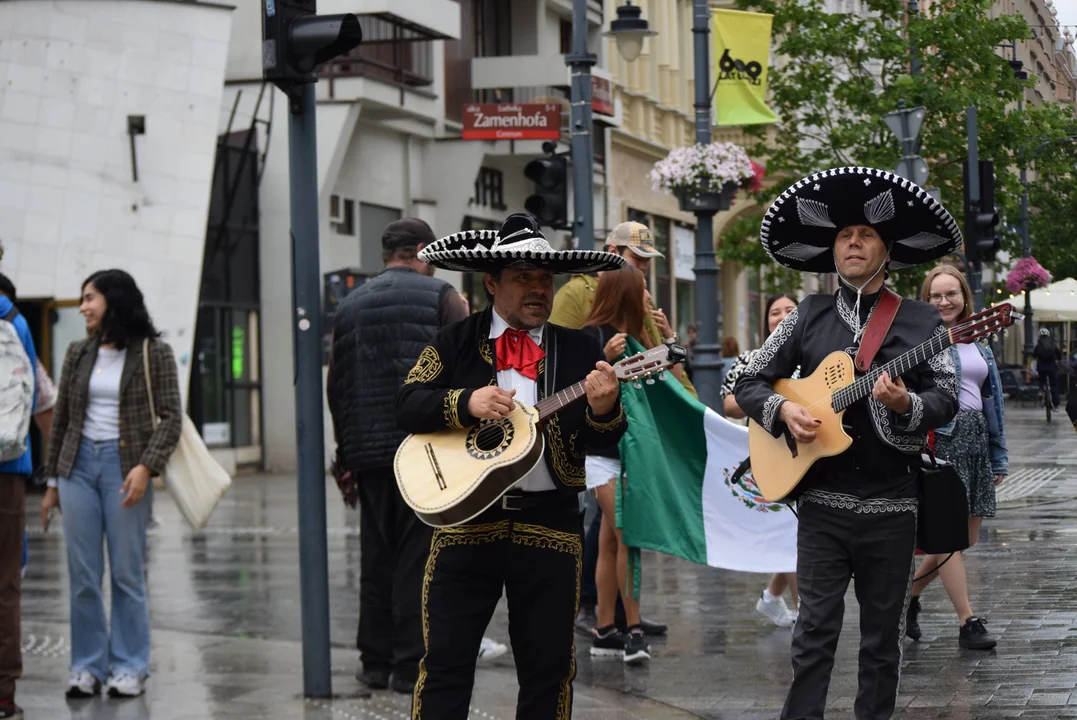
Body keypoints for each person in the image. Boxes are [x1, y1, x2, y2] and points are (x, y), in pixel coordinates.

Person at [734, 167, 961, 720]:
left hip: (893, 504)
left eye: (864, 234)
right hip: (821, 507)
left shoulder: (923, 320)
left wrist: (907, 405)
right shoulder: (805, 316)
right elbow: (747, 380)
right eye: (842, 235)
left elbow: (948, 396)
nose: (852, 242)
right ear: (832, 250)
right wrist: (784, 409)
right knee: (813, 634)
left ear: (888, 249)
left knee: (882, 643)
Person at [395, 213, 628, 719]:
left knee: (549, 672)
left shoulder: (581, 351)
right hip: (463, 523)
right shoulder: (453, 342)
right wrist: (464, 403)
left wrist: (606, 409)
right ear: (491, 282)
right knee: (445, 665)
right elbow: (406, 403)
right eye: (524, 276)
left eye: (545, 278)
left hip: (550, 524)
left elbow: (604, 440)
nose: (538, 289)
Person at [326, 219, 504, 694]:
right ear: (423, 251)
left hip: (366, 450)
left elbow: (336, 384)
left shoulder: (348, 305)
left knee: (376, 555)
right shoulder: (441, 297)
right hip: (422, 446)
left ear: (387, 253)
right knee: (418, 557)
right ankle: (409, 665)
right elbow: (467, 365)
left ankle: (374, 660)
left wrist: (346, 453)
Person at [41, 269, 183, 699]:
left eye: (90, 298)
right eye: (82, 299)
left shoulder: (153, 352)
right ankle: (86, 666)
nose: (83, 306)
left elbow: (173, 416)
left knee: (126, 574)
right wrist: (51, 482)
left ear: (114, 301)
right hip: (77, 468)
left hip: (126, 469)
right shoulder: (77, 352)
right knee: (83, 576)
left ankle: (129, 666)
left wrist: (146, 467)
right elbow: (62, 419)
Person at [549, 220, 674, 639]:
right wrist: (602, 357)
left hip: (634, 437)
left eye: (643, 262)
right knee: (618, 530)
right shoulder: (576, 294)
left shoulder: (639, 299)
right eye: (633, 258)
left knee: (610, 534)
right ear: (611, 250)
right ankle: (607, 614)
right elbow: (560, 364)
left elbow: (656, 367)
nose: (639, 268)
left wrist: (686, 398)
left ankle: (614, 616)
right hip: (599, 438)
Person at [581, 268, 679, 664]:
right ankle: (633, 630)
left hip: (633, 453)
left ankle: (605, 630)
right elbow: (574, 388)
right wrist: (601, 360)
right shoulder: (594, 337)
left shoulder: (639, 338)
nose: (648, 298)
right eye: (641, 290)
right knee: (629, 536)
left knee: (610, 539)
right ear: (623, 294)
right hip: (603, 456)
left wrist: (669, 337)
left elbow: (670, 381)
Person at [907, 265, 1007, 650]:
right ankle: (968, 621)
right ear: (926, 299)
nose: (944, 301)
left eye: (951, 294)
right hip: (941, 441)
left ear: (965, 297)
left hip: (976, 442)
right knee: (947, 539)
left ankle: (908, 599)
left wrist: (998, 456)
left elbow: (992, 402)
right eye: (935, 295)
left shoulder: (980, 343)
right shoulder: (921, 342)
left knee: (964, 539)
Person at [720, 292, 800, 628]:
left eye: (789, 311)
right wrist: (771, 400)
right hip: (771, 454)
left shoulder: (815, 354)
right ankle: (805, 610)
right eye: (774, 312)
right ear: (766, 321)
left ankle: (771, 597)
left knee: (796, 530)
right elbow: (728, 403)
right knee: (791, 530)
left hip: (811, 453)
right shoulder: (752, 359)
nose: (781, 316)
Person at [0, 274, 37, 720]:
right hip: (7, 469)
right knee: (5, 584)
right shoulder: (14, 318)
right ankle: (4, 695)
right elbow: (31, 393)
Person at [1033, 328, 1062, 410]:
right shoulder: (1052, 343)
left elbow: (1034, 355)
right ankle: (1056, 405)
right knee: (1054, 385)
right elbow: (1058, 353)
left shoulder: (1038, 344)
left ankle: (1041, 391)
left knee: (1042, 380)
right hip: (1052, 367)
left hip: (1041, 367)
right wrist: (1058, 359)